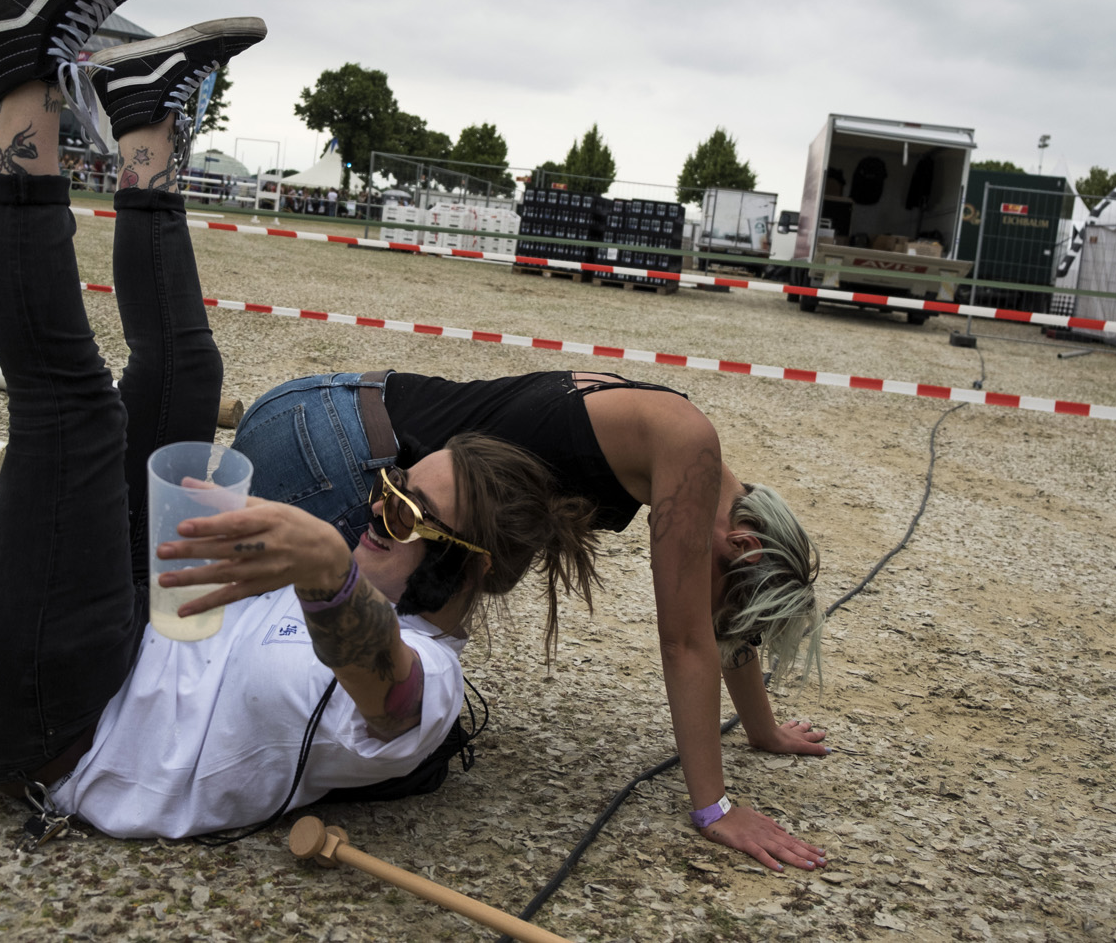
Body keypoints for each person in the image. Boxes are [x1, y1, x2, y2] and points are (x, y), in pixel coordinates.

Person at [0, 0, 599, 842]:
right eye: (386, 486)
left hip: (50, 725)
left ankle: (16, 72)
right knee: (186, 375)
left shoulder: (424, 683)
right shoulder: (357, 576)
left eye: (400, 511)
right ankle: (145, 122)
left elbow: (386, 689)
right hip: (114, 628)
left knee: (73, 410)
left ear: (456, 567)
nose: (372, 509)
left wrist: (322, 572)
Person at [233, 369, 831, 872]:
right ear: (745, 546)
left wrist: (763, 730)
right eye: (731, 605)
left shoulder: (678, 435)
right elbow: (687, 640)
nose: (721, 623)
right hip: (337, 460)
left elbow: (717, 624)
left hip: (316, 412)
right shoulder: (686, 446)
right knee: (364, 709)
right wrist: (716, 809)